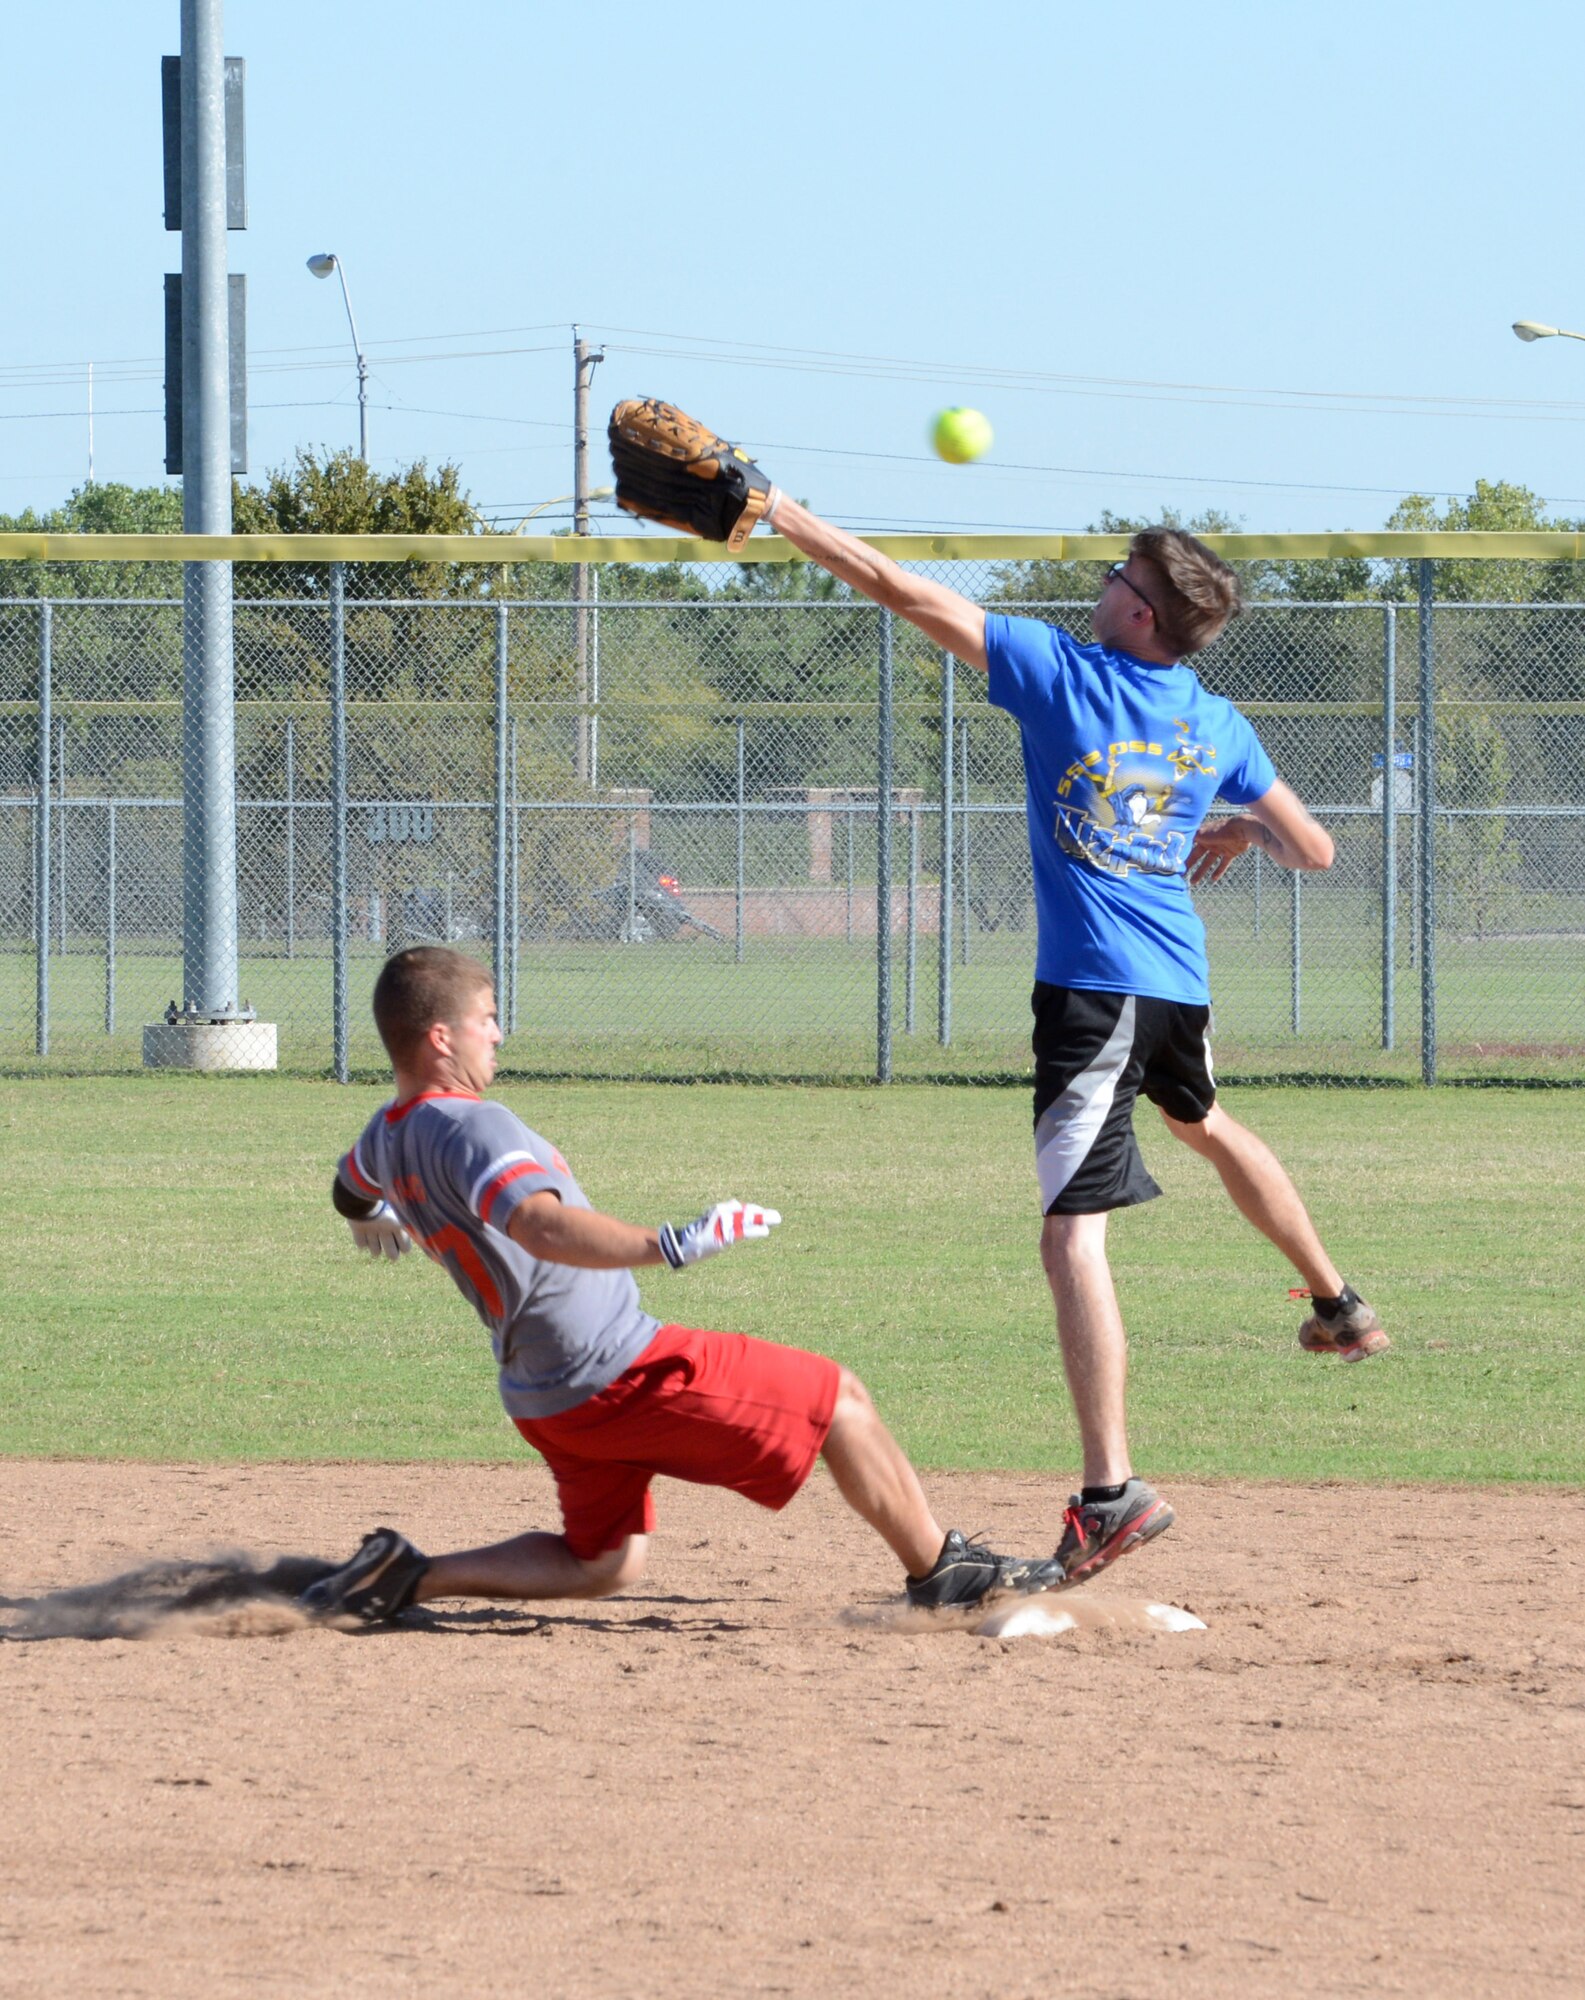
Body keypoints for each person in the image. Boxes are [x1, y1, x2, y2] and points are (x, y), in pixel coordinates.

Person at [717, 483, 1388, 1587]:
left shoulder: (1065, 674)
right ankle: (1335, 1301)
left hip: (1092, 990)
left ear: (1141, 614)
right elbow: (1311, 849)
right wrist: (1227, 825)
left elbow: (895, 586)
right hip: (1173, 980)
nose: (1102, 582)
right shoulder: (1212, 719)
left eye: (1119, 575)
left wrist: (782, 513)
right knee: (1202, 1119)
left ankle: (1110, 1490)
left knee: (1071, 1232)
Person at [306, 944, 1062, 1624]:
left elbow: (349, 1185)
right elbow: (539, 1225)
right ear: (442, 1037)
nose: (498, 1034)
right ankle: (944, 1572)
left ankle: (408, 1575)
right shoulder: (473, 1125)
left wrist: (367, 1212)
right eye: (487, 1019)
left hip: (542, 1393)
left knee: (604, 1563)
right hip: (612, 1369)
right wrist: (670, 1245)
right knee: (840, 1402)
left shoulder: (388, 1130)